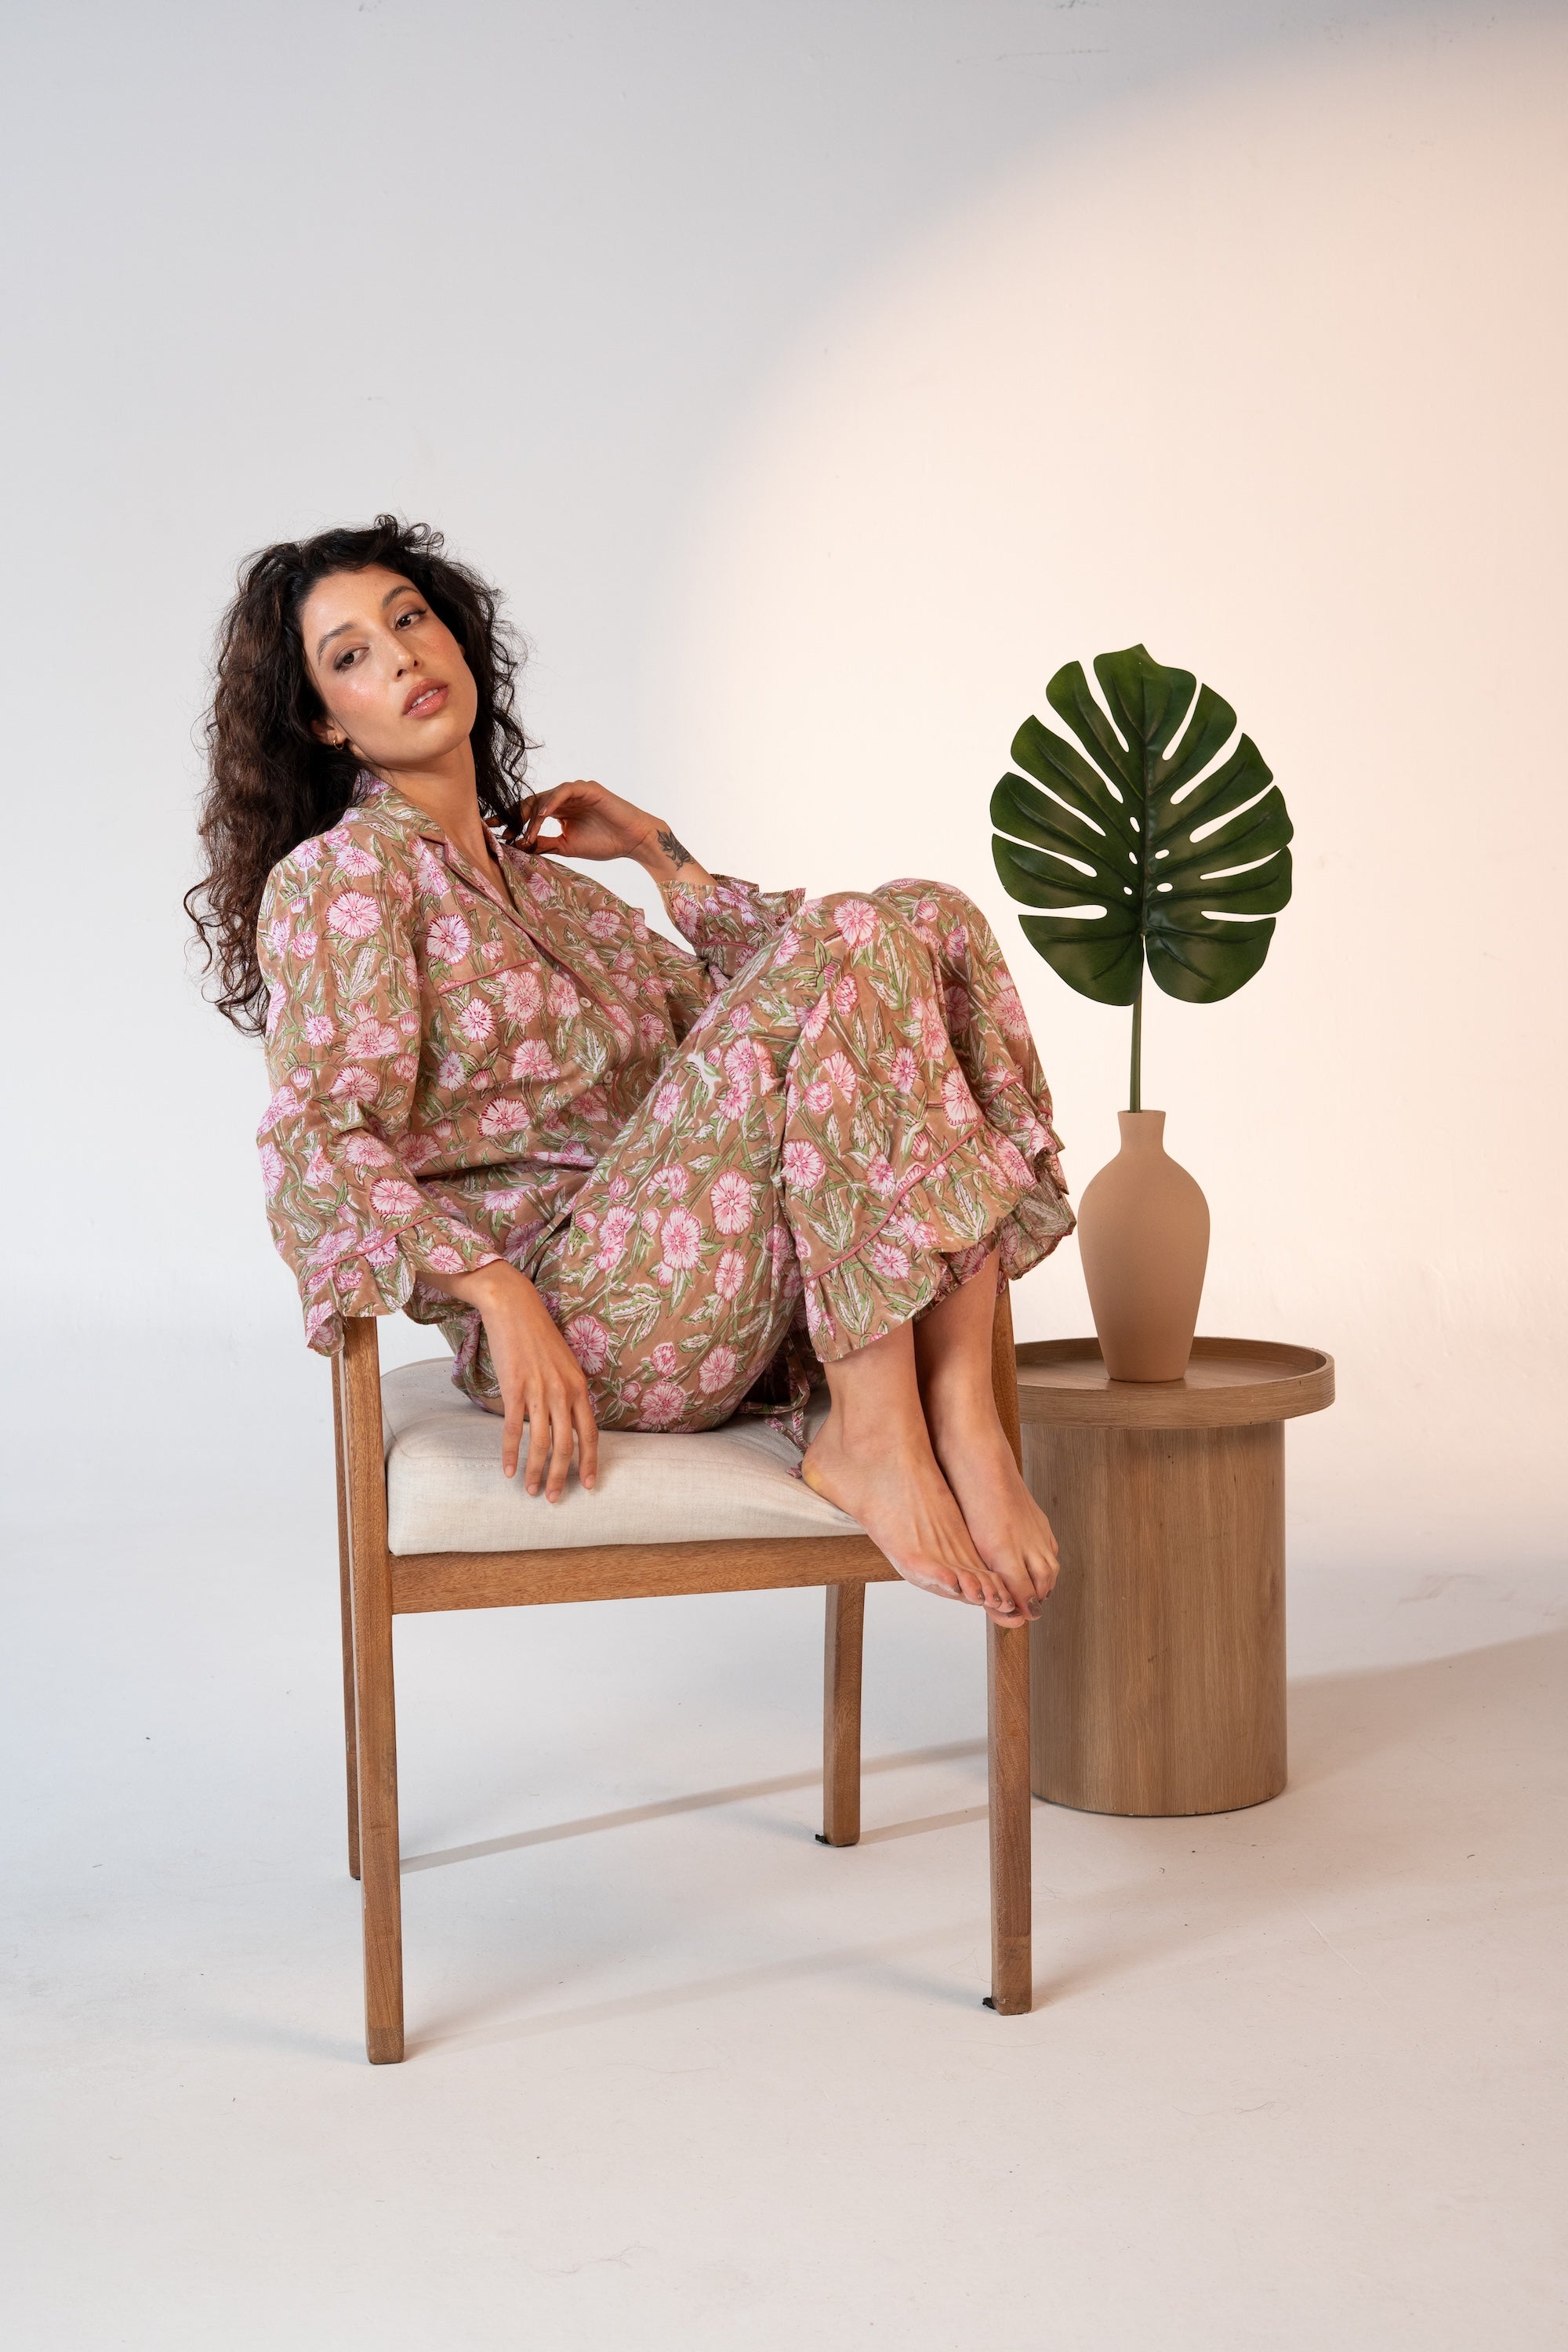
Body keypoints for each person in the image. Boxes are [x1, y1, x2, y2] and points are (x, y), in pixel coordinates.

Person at [188, 517, 1075, 1628]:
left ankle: (957, 1413)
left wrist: (660, 855)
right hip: (582, 1327)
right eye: (352, 654)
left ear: (455, 637)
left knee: (925, 917)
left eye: (409, 619)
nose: (402, 655)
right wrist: (495, 1292)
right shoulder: (343, 881)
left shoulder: (549, 889)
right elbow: (316, 1138)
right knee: (861, 927)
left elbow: (827, 1004)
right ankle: (875, 1434)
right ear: (326, 723)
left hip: (715, 1281)